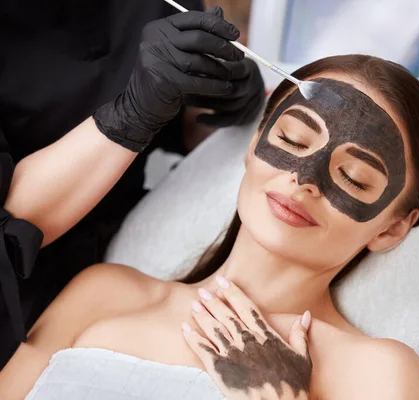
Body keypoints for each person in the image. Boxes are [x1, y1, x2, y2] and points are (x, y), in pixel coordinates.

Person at [0, 54, 419, 399]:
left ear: (392, 228)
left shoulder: (376, 370)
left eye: (353, 177)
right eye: (292, 140)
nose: (303, 179)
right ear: (255, 142)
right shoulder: (106, 292)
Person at [0, 3, 265, 367]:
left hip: (136, 249)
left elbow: (177, 129)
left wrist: (221, 102)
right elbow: (12, 221)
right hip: (17, 291)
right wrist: (132, 113)